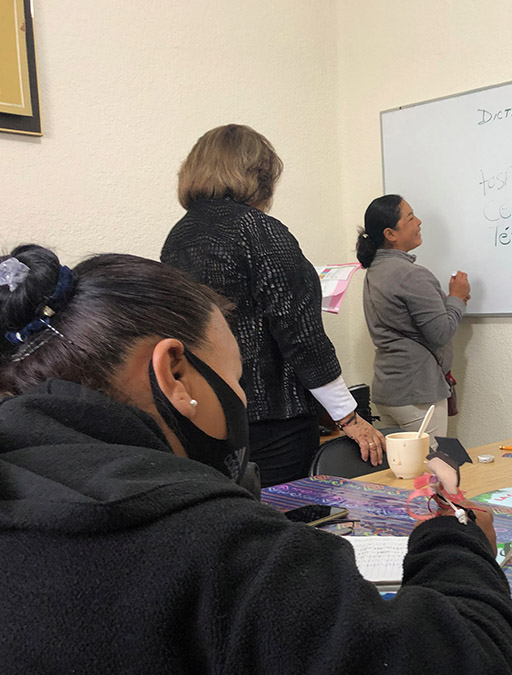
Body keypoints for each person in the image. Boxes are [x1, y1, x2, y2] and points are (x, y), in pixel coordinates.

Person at [0, 244, 512, 673]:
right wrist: (456, 538)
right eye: (236, 377)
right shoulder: (213, 543)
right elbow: (487, 660)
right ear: (174, 374)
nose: (240, 399)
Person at [162, 124, 384, 487]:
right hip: (273, 422)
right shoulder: (258, 230)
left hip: (205, 417)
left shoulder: (179, 236)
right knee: (289, 524)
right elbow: (301, 335)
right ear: (259, 174)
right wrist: (349, 417)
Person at [357, 195, 470, 446]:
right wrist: (457, 298)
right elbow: (441, 332)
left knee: (399, 474)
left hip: (388, 391)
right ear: (391, 234)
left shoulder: (374, 270)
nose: (418, 222)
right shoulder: (411, 275)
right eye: (410, 218)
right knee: (429, 474)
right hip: (418, 393)